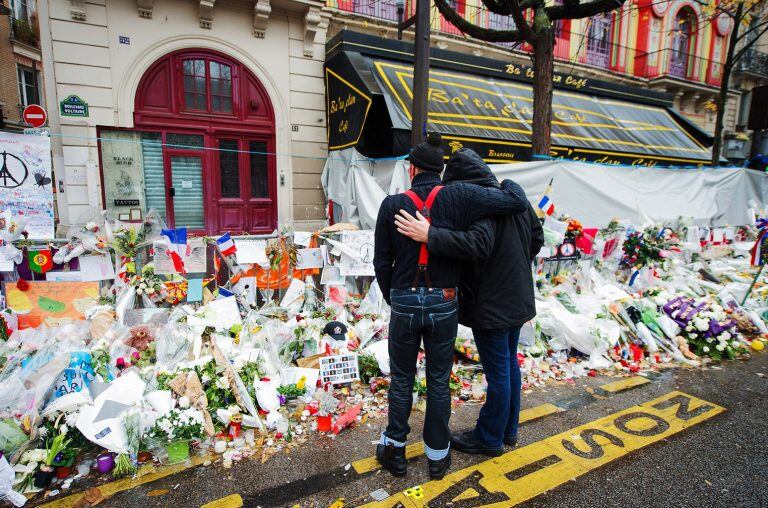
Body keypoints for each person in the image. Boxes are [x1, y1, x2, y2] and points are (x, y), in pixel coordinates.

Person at [373, 134, 529, 480]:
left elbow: (381, 263)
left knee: (401, 378)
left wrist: (394, 297)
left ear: (411, 168)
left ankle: (395, 449)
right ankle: (438, 457)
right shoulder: (461, 196)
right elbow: (514, 202)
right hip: (444, 300)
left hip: (404, 298)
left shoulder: (391, 204)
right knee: (439, 380)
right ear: (440, 169)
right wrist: (508, 183)